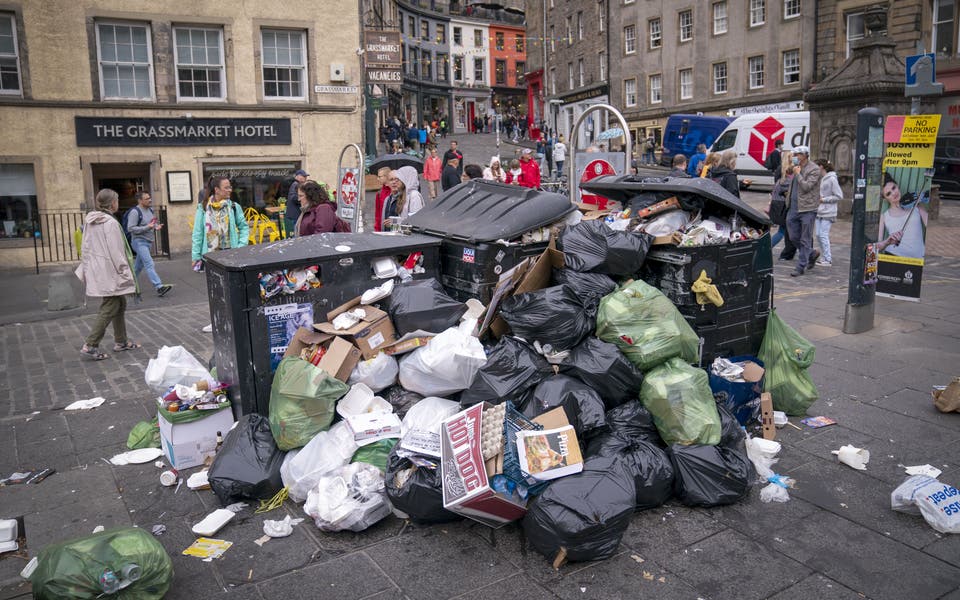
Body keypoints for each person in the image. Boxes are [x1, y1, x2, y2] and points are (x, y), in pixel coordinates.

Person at [76, 188, 140, 360]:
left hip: (99, 268)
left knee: (119, 303)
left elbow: (86, 246)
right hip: (110, 270)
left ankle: (121, 341)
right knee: (110, 306)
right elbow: (117, 251)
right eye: (117, 200)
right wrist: (125, 272)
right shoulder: (110, 223)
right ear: (113, 203)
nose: (117, 203)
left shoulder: (91, 221)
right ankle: (90, 345)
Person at [191, 175, 250, 271]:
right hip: (210, 256)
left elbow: (244, 227)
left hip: (231, 254)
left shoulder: (234, 207)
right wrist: (196, 256)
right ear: (217, 190)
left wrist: (240, 246)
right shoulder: (203, 208)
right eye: (226, 188)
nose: (230, 190)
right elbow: (198, 233)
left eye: (230, 187)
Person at [125, 191, 171, 297]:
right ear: (140, 200)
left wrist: (156, 227)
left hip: (148, 242)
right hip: (139, 242)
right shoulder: (135, 212)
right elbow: (130, 228)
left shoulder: (150, 210)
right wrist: (148, 227)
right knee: (149, 263)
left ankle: (128, 286)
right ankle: (159, 287)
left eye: (149, 197)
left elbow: (152, 223)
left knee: (138, 267)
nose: (150, 200)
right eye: (146, 199)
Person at [785, 146, 822, 277]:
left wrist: (798, 174)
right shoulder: (796, 166)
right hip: (793, 208)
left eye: (798, 154)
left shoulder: (814, 169)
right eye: (794, 154)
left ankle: (801, 266)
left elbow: (806, 186)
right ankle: (811, 254)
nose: (795, 156)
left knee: (805, 238)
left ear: (805, 155)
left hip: (808, 208)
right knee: (793, 236)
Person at [877, 172, 928, 258]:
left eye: (894, 188)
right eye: (888, 194)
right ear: (885, 198)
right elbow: (879, 246)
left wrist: (919, 201)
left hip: (918, 258)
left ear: (897, 185)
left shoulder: (916, 205)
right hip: (894, 256)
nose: (894, 193)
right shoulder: (885, 216)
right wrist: (887, 242)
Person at [768, 151, 797, 260]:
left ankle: (789, 251)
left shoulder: (781, 170)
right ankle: (768, 247)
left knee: (784, 230)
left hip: (778, 203)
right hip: (784, 205)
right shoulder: (791, 172)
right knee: (783, 231)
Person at [814, 159, 842, 267]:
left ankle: (828, 258)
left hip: (828, 211)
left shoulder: (832, 179)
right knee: (818, 235)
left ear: (821, 166)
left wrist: (824, 199)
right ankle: (824, 257)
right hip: (820, 210)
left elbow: (839, 195)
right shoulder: (823, 178)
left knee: (823, 235)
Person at [285, 169, 308, 236]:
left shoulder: (296, 184)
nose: (305, 178)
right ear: (297, 177)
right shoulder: (295, 184)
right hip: (295, 215)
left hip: (294, 214)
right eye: (304, 176)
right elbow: (293, 198)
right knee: (296, 234)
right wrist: (304, 199)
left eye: (306, 176)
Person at [374, 167, 392, 232]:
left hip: (394, 226)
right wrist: (377, 229)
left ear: (386, 176)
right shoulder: (379, 193)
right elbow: (377, 213)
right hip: (383, 228)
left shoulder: (395, 191)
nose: (377, 179)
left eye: (379, 177)